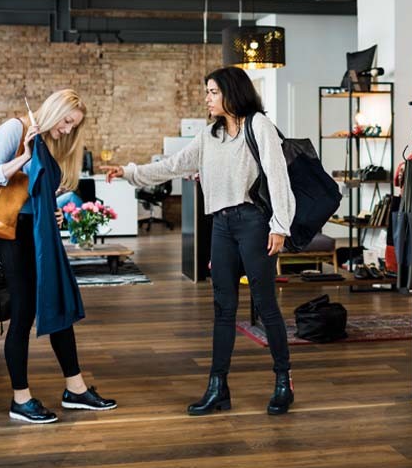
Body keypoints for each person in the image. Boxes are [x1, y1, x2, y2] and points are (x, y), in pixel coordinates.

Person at [102, 67, 296, 415]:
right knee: (223, 309)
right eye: (207, 92)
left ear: (231, 93)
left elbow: (278, 176)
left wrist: (280, 225)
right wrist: (130, 172)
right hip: (220, 226)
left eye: (212, 92)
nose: (207, 99)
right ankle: (217, 387)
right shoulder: (210, 135)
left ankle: (284, 381)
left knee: (266, 305)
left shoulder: (259, 126)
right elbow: (174, 165)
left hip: (253, 223)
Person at [0, 88, 116, 423]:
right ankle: (20, 399)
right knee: (24, 310)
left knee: (57, 302)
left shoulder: (50, 140)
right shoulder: (14, 129)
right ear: (56, 110)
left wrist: (53, 212)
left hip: (39, 229)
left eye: (74, 126)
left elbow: (39, 193)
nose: (68, 129)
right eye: (68, 121)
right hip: (13, 232)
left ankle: (76, 389)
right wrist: (24, 157)